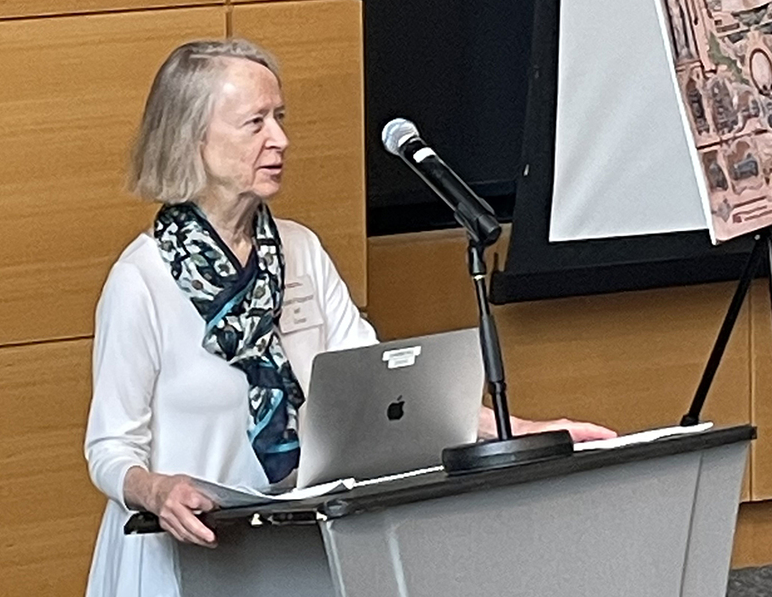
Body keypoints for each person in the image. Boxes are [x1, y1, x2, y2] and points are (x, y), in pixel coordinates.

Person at [83, 38, 616, 597]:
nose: (280, 140)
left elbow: (382, 391)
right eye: (255, 122)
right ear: (193, 138)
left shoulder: (302, 252)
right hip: (182, 562)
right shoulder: (141, 280)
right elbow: (110, 448)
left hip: (290, 553)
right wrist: (156, 490)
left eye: (280, 117)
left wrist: (514, 431)